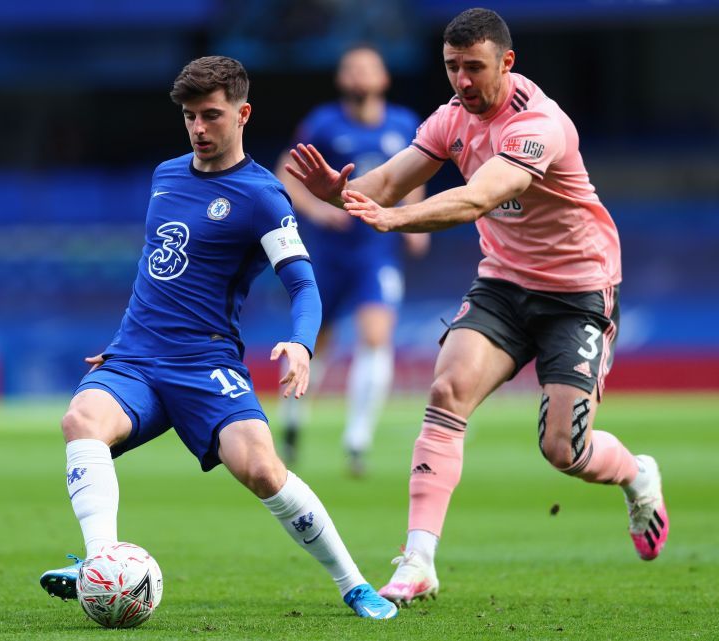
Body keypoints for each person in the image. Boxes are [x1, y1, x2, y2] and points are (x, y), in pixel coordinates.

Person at [286, 8, 669, 607]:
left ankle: (637, 474)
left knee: (563, 451)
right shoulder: (450, 118)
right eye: (451, 67)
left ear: (506, 63)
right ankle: (418, 560)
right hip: (503, 283)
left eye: (473, 67)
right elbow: (386, 182)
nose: (461, 80)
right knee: (447, 391)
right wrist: (342, 193)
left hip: (577, 291)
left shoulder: (539, 124)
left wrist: (396, 218)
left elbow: (477, 198)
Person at [39, 56, 397, 620]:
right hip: (136, 358)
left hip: (205, 364)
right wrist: (125, 339)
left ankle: (354, 583)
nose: (199, 129)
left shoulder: (263, 196)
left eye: (211, 115)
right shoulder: (166, 175)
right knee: (81, 420)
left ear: (243, 113)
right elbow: (159, 268)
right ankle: (101, 562)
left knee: (261, 470)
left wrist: (302, 343)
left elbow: (304, 285)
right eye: (189, 117)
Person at [275, 45, 429, 475]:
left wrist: (410, 220)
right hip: (327, 251)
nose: (360, 75)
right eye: (351, 68)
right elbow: (284, 170)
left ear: (384, 78)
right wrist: (320, 210)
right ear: (342, 79)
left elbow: (414, 174)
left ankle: (357, 442)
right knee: (315, 340)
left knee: (376, 336)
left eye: (368, 67)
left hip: (375, 250)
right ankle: (291, 423)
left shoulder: (402, 124)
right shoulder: (323, 123)